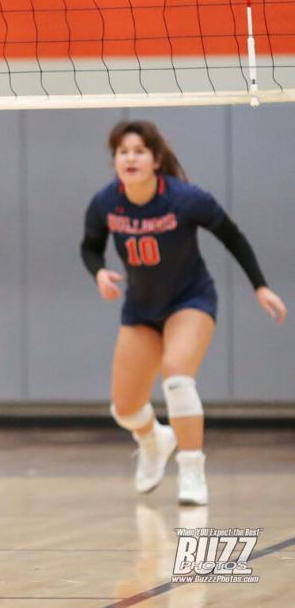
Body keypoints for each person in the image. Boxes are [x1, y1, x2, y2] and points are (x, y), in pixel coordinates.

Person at [81, 119, 285, 506]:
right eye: (123, 152)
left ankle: (192, 471)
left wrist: (260, 285)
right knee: (124, 408)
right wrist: (98, 272)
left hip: (190, 301)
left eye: (139, 151)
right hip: (141, 309)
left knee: (177, 378)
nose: (130, 158)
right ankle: (153, 439)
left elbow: (232, 235)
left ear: (155, 159)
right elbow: (90, 246)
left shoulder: (186, 199)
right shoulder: (106, 202)